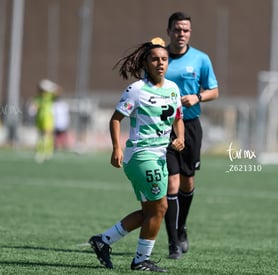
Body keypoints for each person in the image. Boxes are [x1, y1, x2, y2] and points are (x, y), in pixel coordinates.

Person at [88, 37, 185, 272]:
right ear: (146, 62)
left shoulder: (173, 88)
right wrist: (116, 148)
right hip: (141, 154)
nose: (160, 63)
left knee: (148, 212)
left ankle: (103, 241)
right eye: (155, 59)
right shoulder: (136, 90)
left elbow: (178, 117)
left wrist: (179, 137)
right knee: (160, 207)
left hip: (160, 155)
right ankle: (141, 260)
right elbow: (115, 119)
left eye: (164, 59)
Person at [164, 12, 219, 259]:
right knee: (171, 184)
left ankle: (181, 226)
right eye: (177, 29)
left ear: (190, 33)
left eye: (185, 30)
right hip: (164, 128)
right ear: (169, 31)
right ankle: (173, 242)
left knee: (187, 182)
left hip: (191, 126)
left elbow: (214, 91)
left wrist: (197, 97)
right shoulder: (159, 58)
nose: (181, 34)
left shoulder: (201, 59)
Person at [30, 79, 61, 163]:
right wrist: (33, 108)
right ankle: (40, 151)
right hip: (39, 119)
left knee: (47, 136)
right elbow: (34, 106)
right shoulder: (38, 97)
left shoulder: (49, 96)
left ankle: (47, 151)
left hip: (48, 118)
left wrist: (51, 85)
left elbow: (58, 91)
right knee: (40, 136)